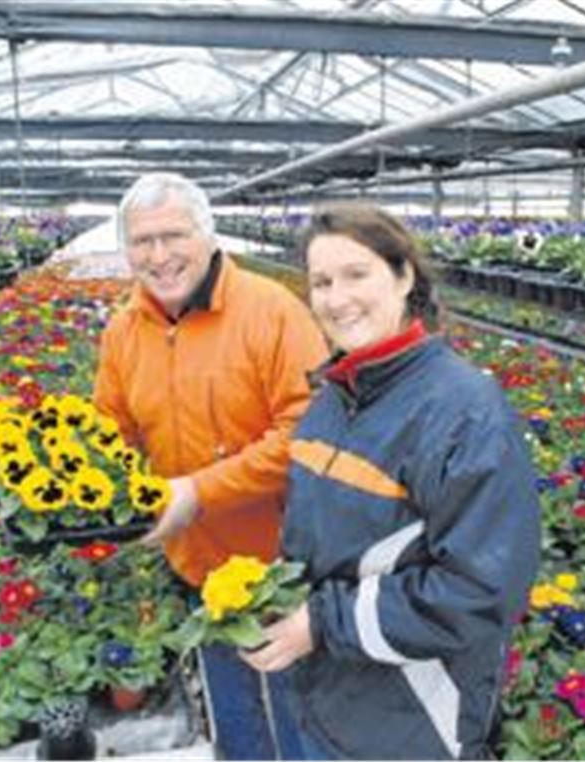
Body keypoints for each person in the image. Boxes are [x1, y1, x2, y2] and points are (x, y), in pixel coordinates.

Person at [241, 203, 540, 759]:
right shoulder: (332, 398)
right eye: (322, 282)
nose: (336, 298)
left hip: (410, 724)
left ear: (404, 278)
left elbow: (481, 591)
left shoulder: (465, 412)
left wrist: (323, 622)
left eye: (357, 275)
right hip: (326, 696)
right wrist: (271, 595)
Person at [93, 172, 328, 760]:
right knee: (231, 700)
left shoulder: (271, 311)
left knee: (300, 707)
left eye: (174, 236)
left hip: (282, 560)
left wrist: (196, 492)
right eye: (142, 242)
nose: (160, 256)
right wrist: (82, 494)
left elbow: (308, 432)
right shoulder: (125, 331)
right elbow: (108, 433)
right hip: (194, 559)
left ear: (208, 233)